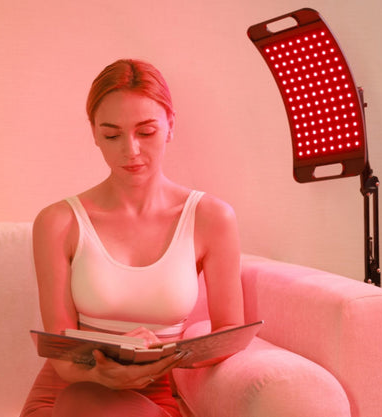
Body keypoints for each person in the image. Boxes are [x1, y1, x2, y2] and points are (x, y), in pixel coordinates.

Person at [20, 58, 244, 417]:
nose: (131, 150)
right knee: (81, 402)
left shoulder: (210, 218)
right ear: (94, 132)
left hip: (151, 396)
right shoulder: (58, 221)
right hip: (67, 393)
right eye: (112, 134)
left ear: (170, 126)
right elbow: (61, 355)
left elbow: (230, 330)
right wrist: (101, 370)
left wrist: (162, 356)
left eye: (146, 132)